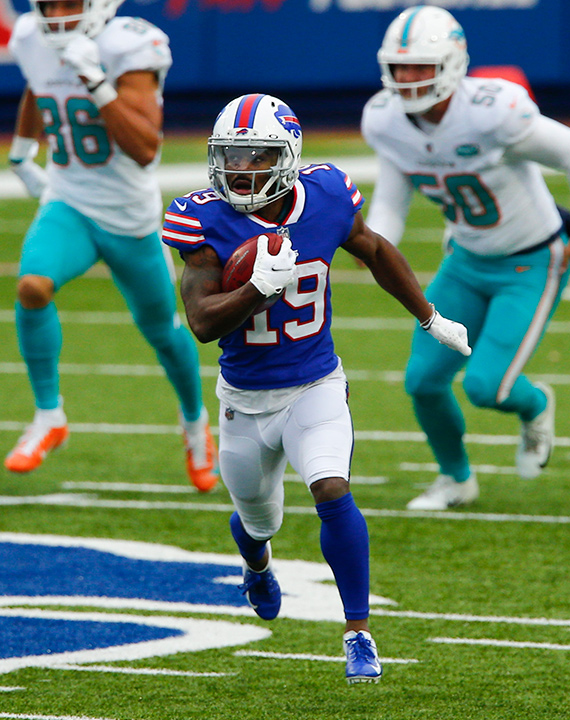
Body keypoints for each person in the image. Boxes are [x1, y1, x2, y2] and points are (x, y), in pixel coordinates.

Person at [163, 93, 471, 684]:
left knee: (331, 487)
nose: (239, 169)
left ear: (287, 157)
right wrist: (257, 288)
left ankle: (359, 632)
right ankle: (257, 566)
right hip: (245, 401)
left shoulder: (326, 193)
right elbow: (202, 322)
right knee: (258, 520)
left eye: (255, 156)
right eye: (229, 156)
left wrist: (429, 316)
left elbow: (375, 249)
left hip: (315, 383)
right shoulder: (203, 218)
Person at [361, 6, 570, 511]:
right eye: (399, 66)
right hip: (465, 260)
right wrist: (372, 247)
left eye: (420, 66)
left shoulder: (492, 109)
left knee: (487, 387)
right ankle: (456, 479)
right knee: (423, 381)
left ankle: (535, 406)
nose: (406, 78)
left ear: (451, 63)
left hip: (531, 259)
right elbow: (390, 202)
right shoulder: (385, 120)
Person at [2, 0, 218, 491]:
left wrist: (96, 81)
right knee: (33, 287)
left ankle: (194, 424)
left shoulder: (127, 45)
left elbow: (145, 150)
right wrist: (21, 151)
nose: (56, 13)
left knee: (163, 330)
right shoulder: (30, 36)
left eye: (68, 3)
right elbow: (39, 86)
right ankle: (48, 415)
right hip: (69, 200)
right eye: (48, 3)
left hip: (129, 217)